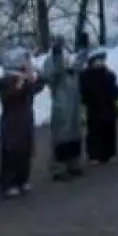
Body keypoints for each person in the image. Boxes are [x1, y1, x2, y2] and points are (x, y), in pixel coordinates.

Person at [0, 47, 45, 198]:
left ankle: (22, 180)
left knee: (26, 151)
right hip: (11, 123)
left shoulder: (25, 81)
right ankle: (8, 184)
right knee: (12, 153)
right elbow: (10, 96)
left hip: (25, 121)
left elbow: (37, 87)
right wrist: (21, 83)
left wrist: (38, 76)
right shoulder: (6, 82)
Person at [44, 34, 86, 181]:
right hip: (61, 104)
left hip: (74, 102)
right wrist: (56, 56)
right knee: (61, 135)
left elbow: (78, 65)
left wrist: (84, 50)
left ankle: (73, 162)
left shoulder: (71, 66)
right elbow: (50, 76)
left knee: (74, 132)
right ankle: (58, 167)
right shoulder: (51, 61)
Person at [80, 48, 118, 163]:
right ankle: (94, 154)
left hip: (109, 109)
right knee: (94, 133)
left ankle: (109, 153)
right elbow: (83, 96)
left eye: (102, 60)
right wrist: (82, 112)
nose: (100, 63)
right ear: (91, 62)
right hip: (93, 110)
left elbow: (116, 92)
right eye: (97, 60)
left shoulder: (109, 76)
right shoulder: (85, 78)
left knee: (109, 132)